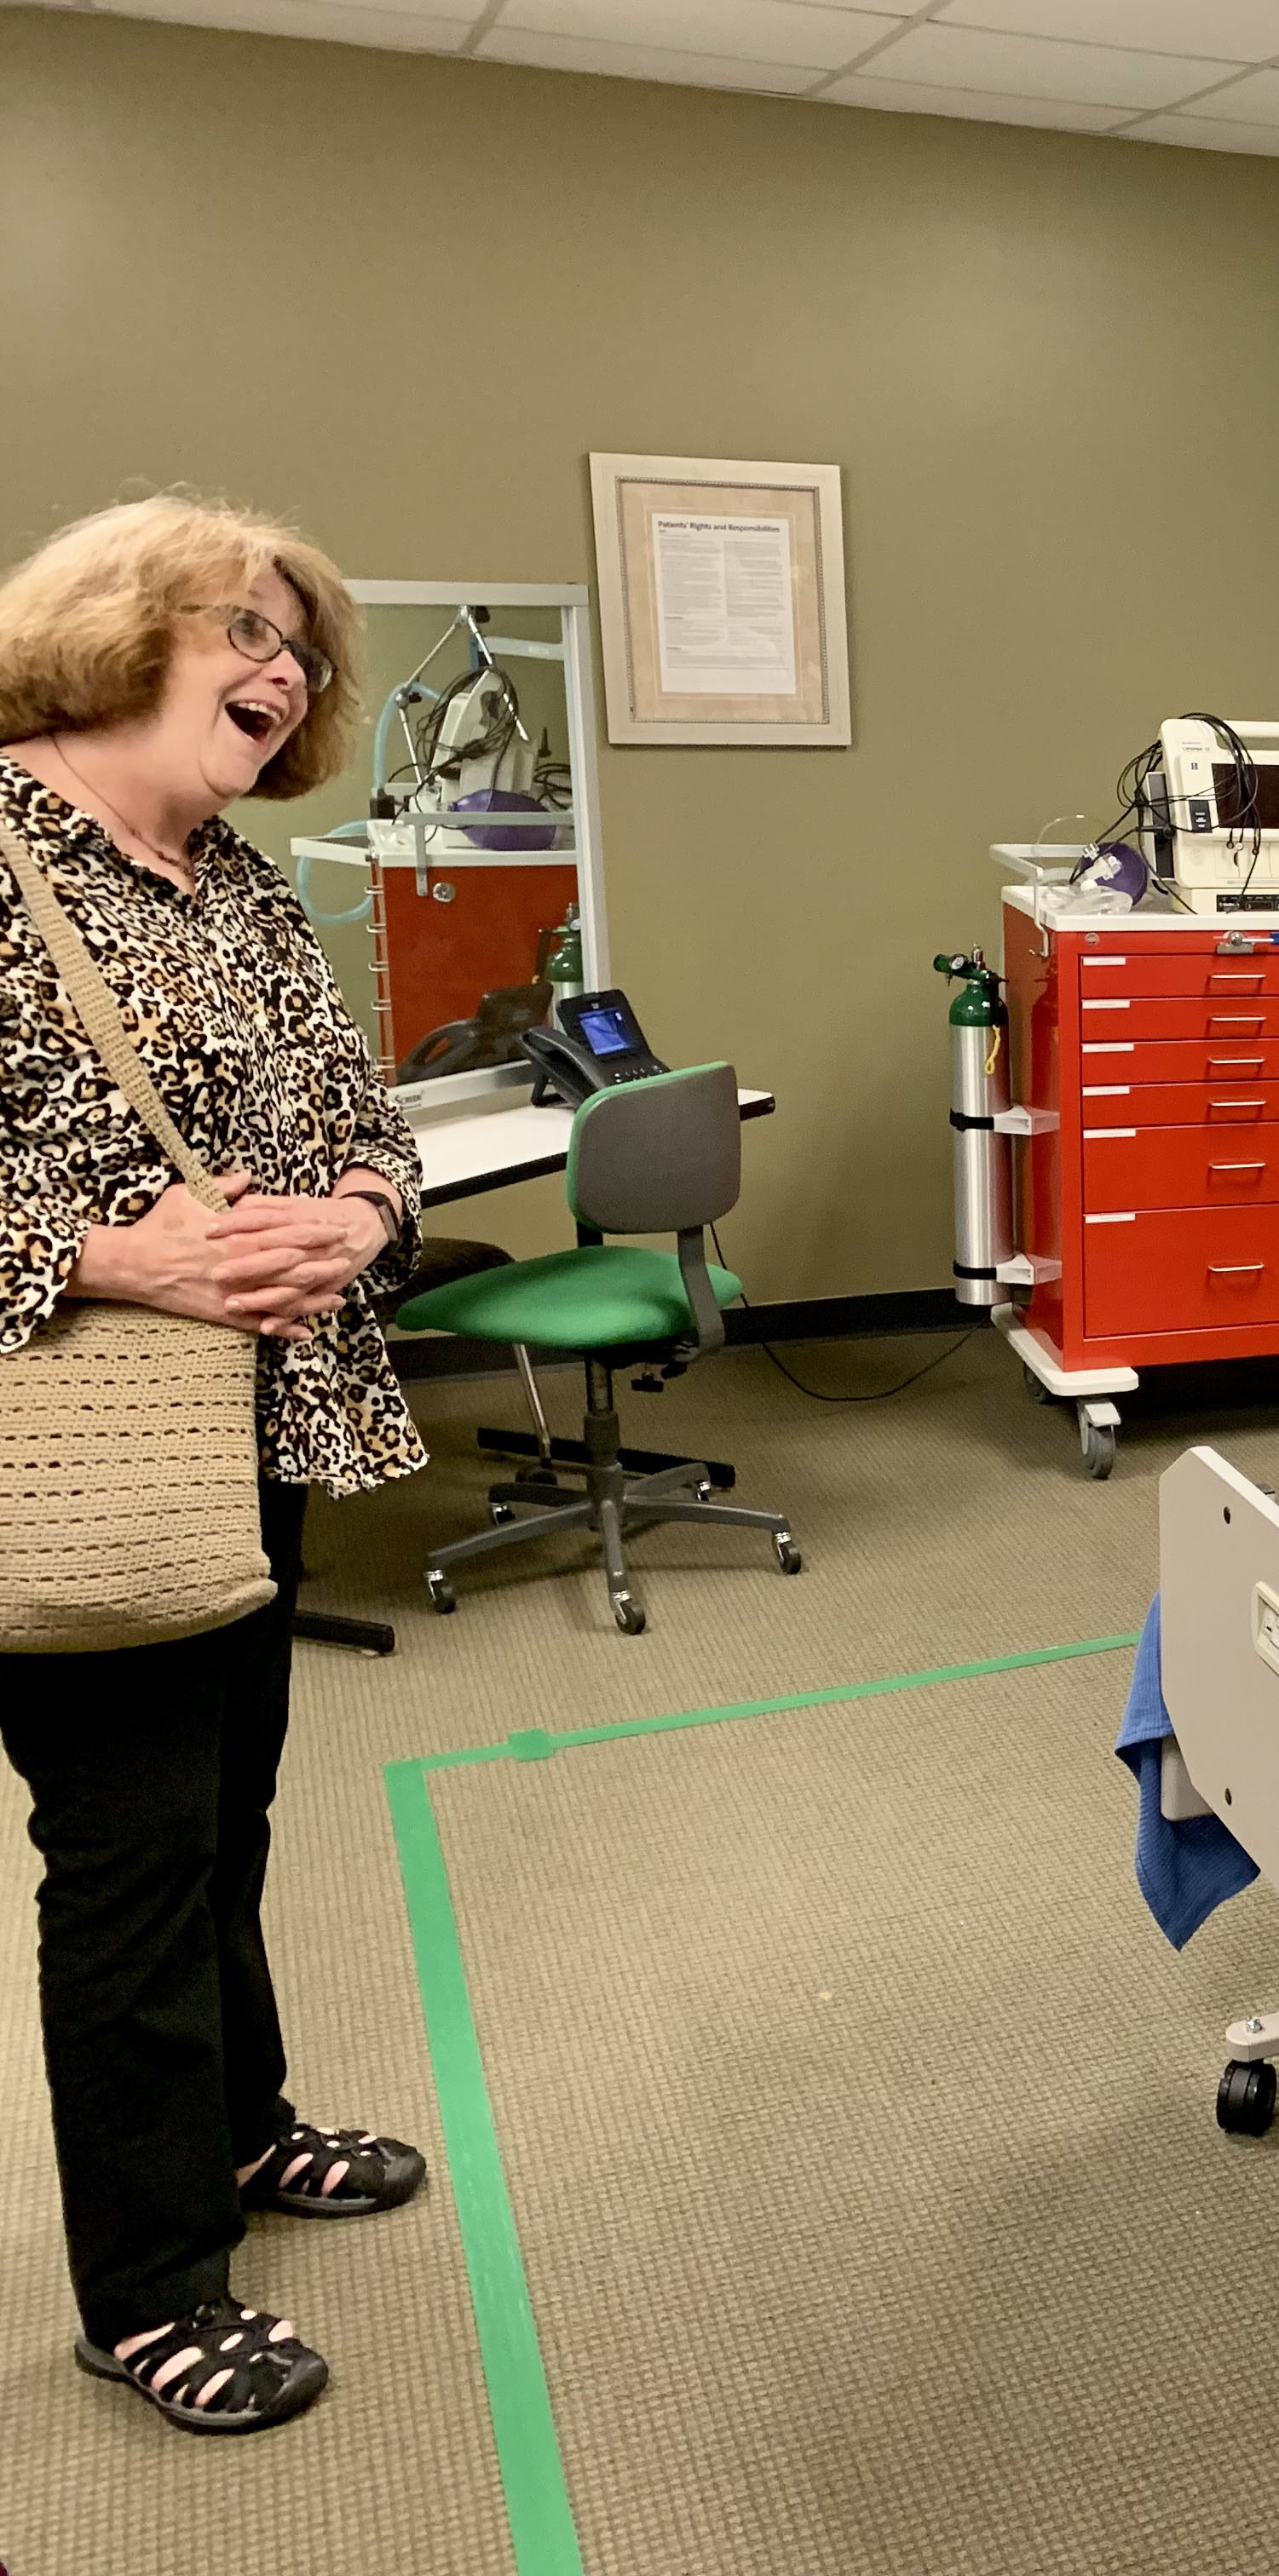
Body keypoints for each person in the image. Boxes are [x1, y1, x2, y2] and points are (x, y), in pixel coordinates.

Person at [0, 495, 437, 2434]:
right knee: (126, 1858)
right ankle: (150, 2285)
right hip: (72, 1448)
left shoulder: (240, 878)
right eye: (245, 630)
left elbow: (366, 1116)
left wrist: (354, 1215)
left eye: (303, 654)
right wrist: (107, 1251)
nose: (283, 674)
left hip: (254, 1431)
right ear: (114, 625)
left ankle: (242, 2132)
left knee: (224, 1823)